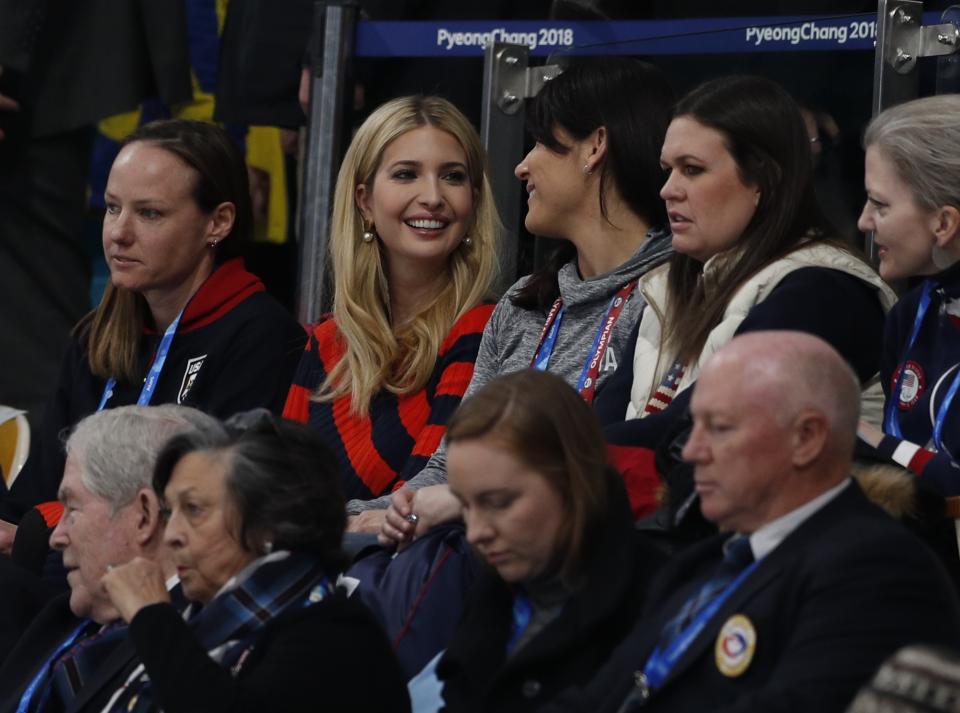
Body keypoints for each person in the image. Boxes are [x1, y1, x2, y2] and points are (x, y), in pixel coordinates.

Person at [544, 332, 960, 713]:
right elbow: (597, 697)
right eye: (694, 428)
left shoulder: (879, 569)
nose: (690, 453)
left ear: (806, 438)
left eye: (718, 428)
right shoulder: (705, 561)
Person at [369, 57, 676, 543]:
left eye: (541, 142)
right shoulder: (524, 302)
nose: (521, 165)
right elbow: (451, 463)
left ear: (594, 147)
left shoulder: (670, 297)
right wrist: (373, 515)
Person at [597, 75, 895, 514]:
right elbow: (604, 422)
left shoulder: (824, 289)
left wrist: (553, 462)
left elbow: (691, 429)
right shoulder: (669, 284)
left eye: (692, 169)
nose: (668, 189)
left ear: (763, 181)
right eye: (668, 170)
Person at [0, 118, 307, 538]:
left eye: (149, 213)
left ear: (218, 222)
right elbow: (33, 492)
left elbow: (208, 507)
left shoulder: (263, 338)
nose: (118, 233)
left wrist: (41, 533)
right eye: (112, 207)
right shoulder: (98, 337)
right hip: (64, 563)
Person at [282, 95, 499, 533]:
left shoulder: (482, 330)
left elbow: (416, 500)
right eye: (406, 174)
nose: (434, 197)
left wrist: (325, 526)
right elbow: (273, 490)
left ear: (474, 200)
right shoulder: (326, 342)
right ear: (364, 200)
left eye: (453, 177)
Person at [96, 410, 410, 712]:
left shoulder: (335, 638)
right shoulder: (201, 622)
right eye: (169, 512)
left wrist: (152, 619)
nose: (171, 535)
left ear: (270, 521)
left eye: (193, 509)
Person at [433, 370, 665, 712]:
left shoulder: (657, 601)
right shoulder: (496, 590)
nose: (475, 532)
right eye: (465, 506)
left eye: (499, 503)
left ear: (572, 482)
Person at [0, 405, 215, 713]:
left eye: (72, 509)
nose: (56, 537)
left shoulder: (192, 651)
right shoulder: (64, 616)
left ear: (144, 516)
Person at [856, 95, 960, 496]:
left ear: (944, 222)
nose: (863, 221)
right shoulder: (909, 314)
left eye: (879, 204)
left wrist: (859, 439)